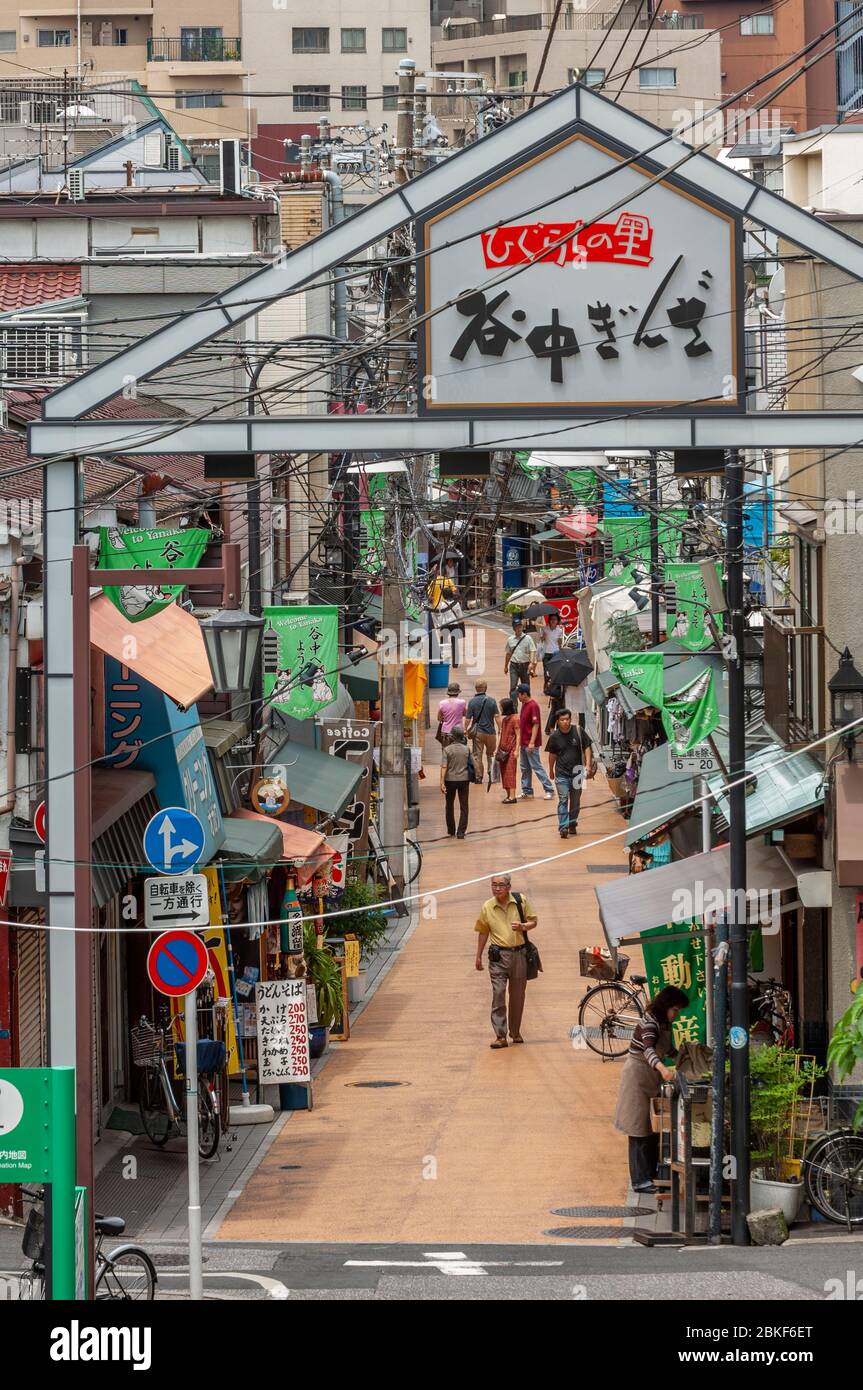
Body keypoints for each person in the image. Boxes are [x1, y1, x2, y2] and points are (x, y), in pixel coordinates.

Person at [613, 986, 688, 1194]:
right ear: (665, 1006)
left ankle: (651, 1172)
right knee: (638, 1129)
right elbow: (648, 1049)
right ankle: (639, 1180)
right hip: (637, 1077)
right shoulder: (650, 1023)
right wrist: (662, 1068)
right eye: (675, 1009)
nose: (677, 1014)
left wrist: (684, 1057)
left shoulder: (663, 1023)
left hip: (650, 1077)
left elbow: (667, 1049)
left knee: (652, 1129)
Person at [474, 873, 538, 1047]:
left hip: (519, 955)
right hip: (498, 957)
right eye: (494, 885)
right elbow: (483, 931)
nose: (497, 888)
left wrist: (524, 926)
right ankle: (500, 1035)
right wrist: (478, 955)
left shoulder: (520, 901)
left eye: (501, 885)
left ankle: (515, 1032)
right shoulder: (487, 906)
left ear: (509, 887)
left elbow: (534, 921)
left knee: (517, 996)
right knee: (498, 994)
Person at [546, 708, 594, 838]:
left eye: (567, 719)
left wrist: (588, 765)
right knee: (563, 800)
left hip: (578, 772)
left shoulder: (578, 731)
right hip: (561, 773)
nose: (565, 722)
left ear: (570, 719)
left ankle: (572, 823)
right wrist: (551, 770)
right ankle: (563, 827)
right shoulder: (554, 736)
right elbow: (552, 755)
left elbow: (587, 747)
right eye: (562, 720)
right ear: (558, 721)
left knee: (575, 801)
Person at [516, 683, 554, 799]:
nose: (518, 697)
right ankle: (527, 790)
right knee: (524, 767)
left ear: (524, 694)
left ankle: (549, 789)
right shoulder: (524, 704)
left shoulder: (533, 706)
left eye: (519, 694)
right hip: (524, 742)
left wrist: (532, 742)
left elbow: (535, 725)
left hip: (530, 742)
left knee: (536, 766)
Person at [465, 679, 501, 781]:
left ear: (476, 689)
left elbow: (468, 719)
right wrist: (500, 729)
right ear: (485, 688)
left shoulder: (472, 702)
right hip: (491, 733)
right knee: (491, 754)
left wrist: (465, 729)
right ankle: (492, 775)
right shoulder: (492, 700)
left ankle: (479, 777)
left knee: (477, 755)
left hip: (478, 733)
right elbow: (497, 716)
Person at [440, 727, 471, 838]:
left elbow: (444, 767)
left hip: (450, 780)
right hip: (464, 779)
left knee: (449, 805)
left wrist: (441, 782)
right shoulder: (466, 749)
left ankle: (451, 829)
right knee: (464, 806)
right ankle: (461, 831)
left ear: (452, 737)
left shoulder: (447, 750)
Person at [504, 616, 537, 698]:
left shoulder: (528, 638)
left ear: (522, 627)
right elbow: (508, 654)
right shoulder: (510, 639)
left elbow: (532, 650)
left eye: (520, 626)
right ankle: (514, 708)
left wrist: (531, 663)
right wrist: (505, 666)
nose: (518, 628)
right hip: (514, 666)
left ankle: (526, 706)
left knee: (526, 688)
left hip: (525, 665)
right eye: (516, 627)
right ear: (513, 628)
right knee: (513, 687)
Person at [496, 696, 520, 804]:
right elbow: (501, 734)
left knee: (510, 772)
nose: (500, 708)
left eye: (501, 707)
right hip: (503, 749)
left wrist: (516, 750)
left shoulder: (515, 719)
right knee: (504, 772)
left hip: (511, 749)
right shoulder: (505, 719)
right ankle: (508, 794)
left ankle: (512, 796)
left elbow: (518, 735)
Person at [538, 610, 563, 689]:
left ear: (557, 621)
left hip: (555, 653)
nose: (553, 621)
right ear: (549, 620)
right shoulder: (545, 629)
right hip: (546, 653)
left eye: (555, 619)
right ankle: (546, 686)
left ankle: (553, 687)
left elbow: (560, 643)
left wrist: (561, 652)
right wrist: (543, 636)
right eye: (551, 619)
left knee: (555, 671)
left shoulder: (559, 630)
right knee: (546, 671)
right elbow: (541, 640)